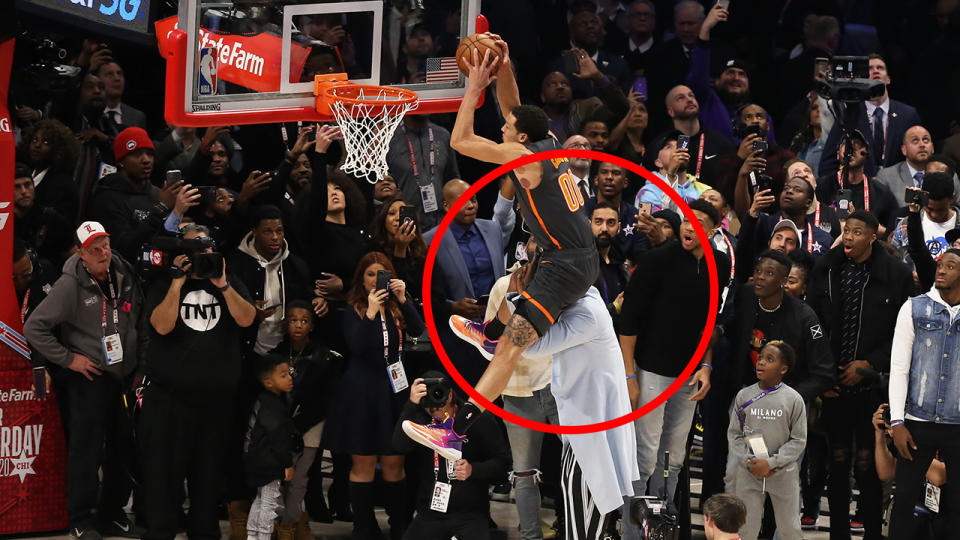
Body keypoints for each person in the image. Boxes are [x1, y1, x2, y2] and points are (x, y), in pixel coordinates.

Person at [412, 35, 599, 454]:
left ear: (519, 138)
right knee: (514, 279)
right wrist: (505, 64)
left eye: (506, 130)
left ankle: (454, 431)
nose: (502, 127)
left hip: (566, 265)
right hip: (564, 254)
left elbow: (461, 141)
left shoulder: (526, 163)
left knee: (509, 352)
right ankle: (489, 329)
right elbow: (513, 106)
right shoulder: (545, 140)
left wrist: (474, 87)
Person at [23, 222, 145, 540]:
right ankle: (79, 517)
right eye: (95, 249)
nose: (104, 253)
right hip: (88, 376)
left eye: (105, 244)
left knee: (122, 447)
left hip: (122, 374)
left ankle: (112, 513)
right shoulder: (69, 285)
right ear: (81, 254)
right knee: (86, 450)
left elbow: (137, 314)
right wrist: (68, 359)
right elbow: (34, 328)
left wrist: (138, 363)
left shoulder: (122, 269)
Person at [618, 200, 729, 540]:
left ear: (713, 231)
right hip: (650, 368)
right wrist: (629, 375)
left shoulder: (720, 264)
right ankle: (632, 531)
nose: (688, 228)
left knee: (674, 456)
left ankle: (660, 527)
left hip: (689, 374)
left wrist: (707, 365)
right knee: (644, 454)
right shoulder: (657, 260)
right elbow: (629, 321)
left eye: (697, 223)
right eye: (685, 221)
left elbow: (711, 321)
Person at [139, 224, 257, 540]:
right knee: (165, 472)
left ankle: (204, 531)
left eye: (206, 249)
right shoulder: (163, 283)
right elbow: (160, 327)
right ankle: (161, 530)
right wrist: (177, 284)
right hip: (169, 399)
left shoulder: (230, 282)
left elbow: (247, 319)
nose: (201, 255)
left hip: (216, 400)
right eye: (194, 249)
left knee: (209, 472)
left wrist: (222, 285)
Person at [806, 210, 914, 540]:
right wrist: (824, 372)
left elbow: (903, 332)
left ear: (872, 237)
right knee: (837, 462)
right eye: (846, 231)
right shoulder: (825, 268)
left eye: (856, 232)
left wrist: (867, 365)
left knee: (867, 463)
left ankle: (871, 532)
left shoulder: (896, 274)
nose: (849, 237)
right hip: (833, 381)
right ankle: (838, 532)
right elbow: (812, 324)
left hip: (872, 383)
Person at [321, 253, 424, 540]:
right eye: (370, 274)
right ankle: (363, 527)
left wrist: (404, 299)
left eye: (383, 274)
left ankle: (400, 523)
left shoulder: (396, 306)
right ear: (361, 278)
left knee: (395, 461)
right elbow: (357, 344)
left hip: (395, 390)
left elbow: (418, 329)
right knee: (363, 461)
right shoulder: (353, 307)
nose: (376, 280)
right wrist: (370, 311)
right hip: (362, 390)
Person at [888, 248, 960, 538]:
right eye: (940, 265)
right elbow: (899, 368)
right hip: (917, 421)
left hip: (957, 425)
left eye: (951, 266)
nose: (941, 270)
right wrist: (897, 422)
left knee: (956, 506)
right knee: (903, 500)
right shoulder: (914, 308)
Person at [393, 374, 511, 540]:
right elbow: (399, 446)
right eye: (428, 404)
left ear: (449, 395)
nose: (435, 410)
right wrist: (411, 405)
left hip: (471, 514)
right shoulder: (420, 418)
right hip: (430, 514)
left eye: (438, 397)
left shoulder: (477, 417)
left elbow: (503, 463)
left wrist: (473, 470)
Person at [270, 300, 346, 537]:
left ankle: (289, 525)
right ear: (285, 324)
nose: (298, 325)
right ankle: (294, 520)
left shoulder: (324, 356)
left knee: (300, 476)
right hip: (280, 424)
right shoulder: (276, 354)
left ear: (312, 325)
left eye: (304, 321)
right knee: (279, 476)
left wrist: (300, 423)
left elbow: (326, 400)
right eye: (293, 320)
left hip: (311, 423)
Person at [726, 341, 807, 540]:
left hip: (783, 473)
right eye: (760, 357)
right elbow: (735, 434)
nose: (761, 362)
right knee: (745, 529)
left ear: (783, 369)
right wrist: (748, 461)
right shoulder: (744, 395)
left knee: (790, 529)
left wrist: (771, 463)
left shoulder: (793, 399)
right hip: (749, 471)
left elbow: (798, 440)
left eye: (769, 359)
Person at [87, 127, 189, 262]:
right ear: (121, 161)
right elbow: (123, 249)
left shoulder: (158, 194)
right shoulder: (106, 198)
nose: (146, 160)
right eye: (136, 154)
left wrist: (177, 214)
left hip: (158, 269)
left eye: (150, 154)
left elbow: (165, 238)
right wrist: (161, 208)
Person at [819, 54, 922, 178]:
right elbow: (828, 163)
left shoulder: (908, 114)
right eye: (870, 68)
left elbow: (919, 157)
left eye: (880, 68)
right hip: (861, 189)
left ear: (888, 79)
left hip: (898, 189)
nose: (875, 71)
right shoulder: (851, 112)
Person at [243, 355, 301, 540]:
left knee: (260, 501)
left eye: (289, 373)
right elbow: (278, 438)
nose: (289, 378)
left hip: (257, 459)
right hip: (269, 462)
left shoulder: (264, 401)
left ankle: (253, 536)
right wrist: (287, 463)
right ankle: (264, 536)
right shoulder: (273, 405)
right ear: (268, 382)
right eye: (283, 375)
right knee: (269, 502)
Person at [815, 129, 899, 235]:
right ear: (838, 154)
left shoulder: (881, 192)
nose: (852, 149)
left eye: (857, 144)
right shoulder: (822, 186)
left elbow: (893, 232)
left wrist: (867, 226)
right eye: (847, 144)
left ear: (866, 153)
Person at [386, 114, 461, 229]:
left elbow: (452, 179)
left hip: (441, 221)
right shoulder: (389, 137)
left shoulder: (443, 135)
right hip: (404, 223)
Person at [15, 118, 80, 223]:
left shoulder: (64, 184)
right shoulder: (23, 171)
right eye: (34, 140)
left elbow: (64, 226)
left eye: (46, 142)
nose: (37, 145)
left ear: (58, 148)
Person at [891, 173, 960, 271]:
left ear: (952, 198)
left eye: (940, 210)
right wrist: (908, 276)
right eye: (929, 209)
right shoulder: (905, 225)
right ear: (922, 198)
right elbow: (892, 263)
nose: (934, 215)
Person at [636, 131, 711, 214]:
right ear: (658, 162)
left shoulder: (705, 190)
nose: (678, 149)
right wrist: (671, 174)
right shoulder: (646, 193)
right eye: (669, 147)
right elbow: (647, 224)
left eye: (679, 145)